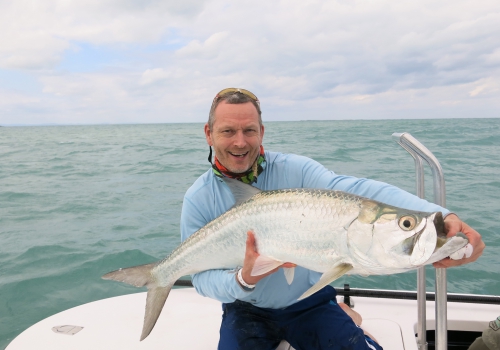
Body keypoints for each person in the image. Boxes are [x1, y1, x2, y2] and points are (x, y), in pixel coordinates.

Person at [180, 88, 485, 350]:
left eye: (249, 130)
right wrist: (242, 279)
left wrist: (442, 216)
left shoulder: (297, 170)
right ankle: (348, 316)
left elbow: (357, 193)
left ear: (262, 132)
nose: (240, 142)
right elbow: (201, 279)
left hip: (308, 302)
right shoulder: (199, 198)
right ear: (209, 133)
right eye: (227, 131)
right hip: (246, 309)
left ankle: (346, 318)